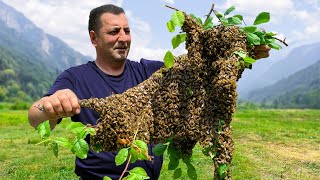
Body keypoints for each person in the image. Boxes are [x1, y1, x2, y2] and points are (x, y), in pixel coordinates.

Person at [28, 4, 271, 180]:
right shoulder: (76, 77)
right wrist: (50, 106)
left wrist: (242, 54)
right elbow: (34, 116)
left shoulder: (149, 71)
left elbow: (198, 68)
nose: (123, 38)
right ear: (94, 38)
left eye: (127, 30)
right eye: (114, 32)